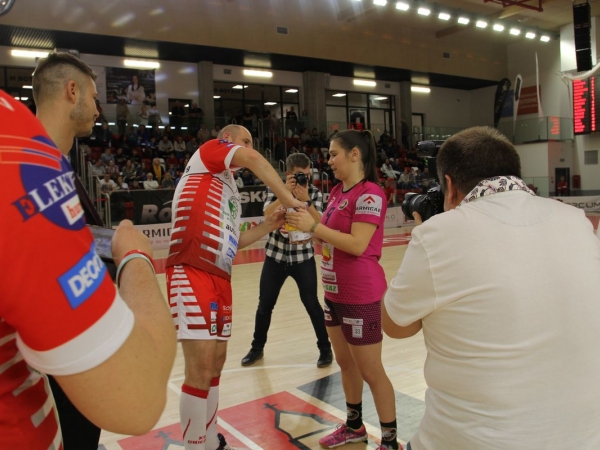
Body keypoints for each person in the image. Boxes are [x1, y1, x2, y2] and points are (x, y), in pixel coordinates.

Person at [382, 126, 600, 450]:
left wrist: (424, 234)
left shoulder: (438, 234)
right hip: (585, 437)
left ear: (450, 186)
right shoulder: (576, 221)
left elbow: (395, 326)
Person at [9, 52, 175, 450]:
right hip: (60, 360)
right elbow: (138, 403)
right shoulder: (29, 168)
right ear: (72, 91)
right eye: (94, 97)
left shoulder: (52, 165)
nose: (99, 109)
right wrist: (135, 258)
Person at [166, 124, 304, 450]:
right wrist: (288, 199)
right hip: (193, 269)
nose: (249, 148)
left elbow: (235, 241)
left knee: (215, 364)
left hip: (220, 276)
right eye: (246, 141)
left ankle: (210, 441)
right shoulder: (210, 151)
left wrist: (268, 224)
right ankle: (195, 446)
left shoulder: (228, 186)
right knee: (199, 368)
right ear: (226, 140)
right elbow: (254, 159)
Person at [285, 129, 399, 450]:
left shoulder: (370, 194)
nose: (329, 160)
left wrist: (312, 226)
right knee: (346, 364)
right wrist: (307, 209)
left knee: (371, 371)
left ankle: (390, 442)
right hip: (334, 293)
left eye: (334, 154)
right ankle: (354, 427)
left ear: (354, 154)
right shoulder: (337, 192)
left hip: (361, 296)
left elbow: (357, 244)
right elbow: (324, 232)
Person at [241, 153, 332, 368]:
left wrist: (306, 200)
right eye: (300, 176)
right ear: (289, 174)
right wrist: (285, 194)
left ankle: (325, 349)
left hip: (303, 257)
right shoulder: (275, 189)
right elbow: (267, 215)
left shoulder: (314, 193)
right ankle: (257, 348)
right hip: (275, 256)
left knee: (312, 304)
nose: (304, 180)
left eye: (307, 176)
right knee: (265, 305)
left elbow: (321, 224)